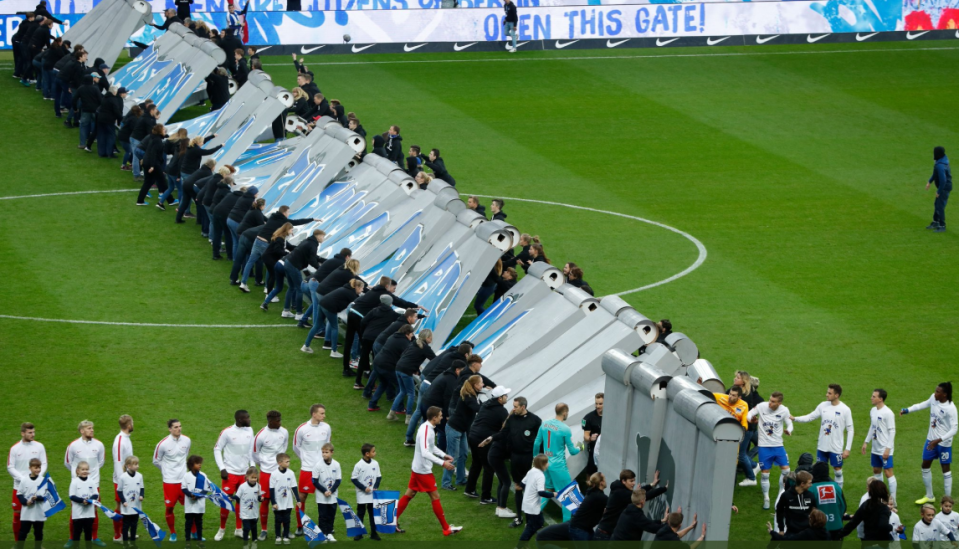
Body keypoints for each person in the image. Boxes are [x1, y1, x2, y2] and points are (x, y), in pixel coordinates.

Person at [395, 407, 463, 536]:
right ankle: (446, 528)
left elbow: (431, 447)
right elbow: (426, 452)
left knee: (410, 494)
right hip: (422, 471)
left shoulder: (427, 428)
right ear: (434, 418)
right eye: (440, 416)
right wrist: (443, 463)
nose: (442, 417)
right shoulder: (427, 430)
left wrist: (444, 455)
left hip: (418, 468)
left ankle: (393, 520)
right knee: (435, 497)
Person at [240, 206, 319, 291]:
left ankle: (243, 283)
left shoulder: (273, 216)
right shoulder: (283, 221)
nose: (289, 214)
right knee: (270, 265)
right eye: (288, 212)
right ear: (284, 213)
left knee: (250, 262)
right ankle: (267, 288)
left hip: (257, 240)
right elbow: (297, 222)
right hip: (265, 243)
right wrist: (312, 219)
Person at [901, 382, 956, 504]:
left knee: (945, 469)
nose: (935, 393)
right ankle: (930, 495)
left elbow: (954, 429)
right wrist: (907, 410)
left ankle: (947, 501)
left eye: (938, 392)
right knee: (925, 465)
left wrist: (939, 440)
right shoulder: (934, 398)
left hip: (943, 443)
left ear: (945, 394)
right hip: (931, 440)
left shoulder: (951, 408)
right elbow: (923, 405)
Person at [791, 383, 854, 488]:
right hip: (822, 446)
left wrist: (847, 449)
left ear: (836, 395)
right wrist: (795, 418)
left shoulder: (845, 409)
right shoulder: (823, 405)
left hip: (836, 447)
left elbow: (850, 429)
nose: (826, 395)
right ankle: (821, 492)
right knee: (819, 471)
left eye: (829, 393)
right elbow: (810, 417)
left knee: (838, 471)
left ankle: (839, 493)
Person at [532, 403, 582, 522]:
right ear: (565, 412)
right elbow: (573, 451)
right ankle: (565, 527)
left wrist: (535, 458)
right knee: (567, 495)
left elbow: (536, 443)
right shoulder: (565, 429)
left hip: (545, 464)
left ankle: (532, 519)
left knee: (548, 490)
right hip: (559, 467)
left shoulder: (545, 424)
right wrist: (581, 446)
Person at [746, 391, 794, 510]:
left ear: (779, 403)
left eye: (773, 402)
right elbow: (749, 413)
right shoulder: (762, 406)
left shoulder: (784, 410)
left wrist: (789, 430)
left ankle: (780, 494)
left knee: (786, 471)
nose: (770, 403)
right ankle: (766, 498)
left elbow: (790, 423)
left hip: (778, 446)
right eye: (770, 400)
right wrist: (750, 418)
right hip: (764, 447)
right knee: (765, 475)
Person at [213, 410, 255, 541]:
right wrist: (222, 468)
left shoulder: (250, 430)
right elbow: (217, 449)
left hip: (244, 473)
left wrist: (252, 465)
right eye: (247, 418)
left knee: (242, 501)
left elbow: (250, 450)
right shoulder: (227, 432)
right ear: (239, 419)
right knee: (225, 502)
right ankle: (222, 529)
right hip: (230, 473)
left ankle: (239, 529)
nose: (249, 419)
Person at [465, 386, 511, 504]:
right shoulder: (502, 411)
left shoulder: (486, 404)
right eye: (505, 395)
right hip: (483, 439)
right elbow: (505, 428)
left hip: (473, 435)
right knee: (488, 468)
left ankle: (469, 489)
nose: (507, 397)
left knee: (476, 463)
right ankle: (486, 497)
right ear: (500, 398)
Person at [64, 420, 106, 546]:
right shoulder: (73, 445)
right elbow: (68, 463)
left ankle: (94, 537)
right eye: (88, 428)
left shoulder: (99, 445)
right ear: (82, 431)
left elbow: (101, 462)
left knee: (94, 509)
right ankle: (72, 538)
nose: (92, 430)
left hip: (94, 483)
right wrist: (78, 476)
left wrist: (90, 477)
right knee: (75, 510)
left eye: (92, 428)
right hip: (77, 484)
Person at [292, 404, 331, 535]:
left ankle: (325, 525)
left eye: (324, 413)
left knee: (326, 496)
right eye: (322, 413)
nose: (324, 416)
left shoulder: (326, 427)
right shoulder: (302, 429)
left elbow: (328, 445)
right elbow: (296, 447)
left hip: (323, 468)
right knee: (301, 497)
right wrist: (306, 460)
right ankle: (300, 525)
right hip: (308, 469)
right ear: (314, 414)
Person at [252, 411, 289, 541]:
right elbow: (254, 454)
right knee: (265, 501)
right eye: (277, 421)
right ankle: (264, 530)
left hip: (280, 472)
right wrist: (264, 464)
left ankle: (285, 528)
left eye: (280, 420)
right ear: (270, 420)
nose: (280, 422)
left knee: (282, 499)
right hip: (266, 473)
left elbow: (284, 447)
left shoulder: (284, 432)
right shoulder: (261, 435)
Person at [153, 419, 192, 542]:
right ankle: (173, 532)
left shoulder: (187, 440)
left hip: (184, 481)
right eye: (175, 427)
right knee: (169, 508)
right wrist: (166, 471)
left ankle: (194, 532)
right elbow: (156, 461)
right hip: (169, 482)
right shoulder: (162, 444)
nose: (179, 429)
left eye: (180, 426)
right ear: (170, 429)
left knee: (191, 507)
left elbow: (186, 455)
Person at [9, 422, 48, 541]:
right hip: (20, 486)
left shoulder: (39, 446)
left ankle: (38, 543)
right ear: (22, 433)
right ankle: (17, 542)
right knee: (17, 513)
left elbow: (44, 463)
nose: (33, 434)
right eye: (30, 432)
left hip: (37, 486)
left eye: (33, 432)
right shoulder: (15, 448)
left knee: (38, 513)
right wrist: (24, 480)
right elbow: (10, 467)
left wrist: (37, 478)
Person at [306, 279, 364, 357]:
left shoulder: (346, 289)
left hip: (322, 303)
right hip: (330, 307)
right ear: (357, 287)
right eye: (361, 288)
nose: (362, 290)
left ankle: (306, 345)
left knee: (317, 325)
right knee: (334, 327)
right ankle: (334, 351)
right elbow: (358, 304)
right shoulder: (351, 294)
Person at [446, 375, 484, 494]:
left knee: (463, 455)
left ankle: (460, 479)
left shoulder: (472, 394)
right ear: (475, 385)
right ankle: (446, 483)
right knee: (453, 457)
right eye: (481, 383)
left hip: (461, 430)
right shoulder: (468, 397)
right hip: (454, 429)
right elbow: (477, 408)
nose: (482, 385)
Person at [390, 330, 437, 423]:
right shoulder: (425, 348)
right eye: (431, 337)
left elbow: (406, 355)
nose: (432, 339)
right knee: (411, 394)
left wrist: (416, 369)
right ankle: (408, 417)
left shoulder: (414, 343)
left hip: (398, 367)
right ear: (427, 338)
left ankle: (391, 413)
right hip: (406, 371)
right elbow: (435, 359)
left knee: (402, 391)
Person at [369, 324, 415, 411]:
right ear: (407, 334)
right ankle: (399, 408)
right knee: (400, 385)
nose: (412, 336)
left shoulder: (393, 336)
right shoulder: (404, 342)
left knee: (383, 383)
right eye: (412, 334)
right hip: (387, 366)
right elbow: (407, 356)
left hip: (377, 362)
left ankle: (372, 404)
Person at [862, 388, 898, 501]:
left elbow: (892, 431)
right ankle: (880, 496)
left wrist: (888, 449)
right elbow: (872, 427)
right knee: (876, 471)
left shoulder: (888, 413)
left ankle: (893, 500)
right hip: (875, 448)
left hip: (884, 448)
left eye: (874, 396)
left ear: (880, 399)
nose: (871, 398)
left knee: (888, 472)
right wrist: (866, 442)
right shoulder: (873, 410)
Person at [356, 296, 400, 388]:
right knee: (377, 362)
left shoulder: (374, 310)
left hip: (367, 336)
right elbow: (403, 318)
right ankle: (374, 385)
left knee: (363, 358)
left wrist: (363, 332)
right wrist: (420, 316)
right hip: (377, 339)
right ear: (389, 303)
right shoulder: (392, 313)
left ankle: (357, 382)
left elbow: (363, 321)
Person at [734, 370, 764, 487]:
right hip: (744, 427)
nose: (735, 379)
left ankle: (752, 470)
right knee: (742, 453)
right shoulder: (737, 391)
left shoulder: (748, 396)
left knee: (741, 454)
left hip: (747, 428)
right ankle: (750, 464)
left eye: (737, 377)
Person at [518, 455, 554, 545]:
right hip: (532, 506)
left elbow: (522, 484)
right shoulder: (541, 476)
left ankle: (526, 541)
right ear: (542, 464)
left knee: (538, 522)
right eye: (546, 463)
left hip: (526, 503)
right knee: (533, 526)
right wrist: (553, 494)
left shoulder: (531, 471)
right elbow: (541, 493)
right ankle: (520, 545)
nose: (548, 464)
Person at [15, 458, 49, 549]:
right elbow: (19, 493)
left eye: (39, 467)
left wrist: (37, 498)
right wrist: (25, 502)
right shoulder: (24, 480)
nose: (38, 470)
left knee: (38, 532)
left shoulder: (43, 480)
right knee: (23, 532)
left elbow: (47, 496)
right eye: (35, 468)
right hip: (27, 513)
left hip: (39, 513)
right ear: (30, 468)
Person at [110, 416, 134, 543]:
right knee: (119, 505)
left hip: (128, 478)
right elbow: (118, 462)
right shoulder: (120, 441)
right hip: (121, 481)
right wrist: (122, 482)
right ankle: (117, 535)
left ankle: (125, 531)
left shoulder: (126, 439)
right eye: (132, 423)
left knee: (127, 506)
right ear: (129, 425)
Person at [350, 444, 381, 541]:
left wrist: (375, 487)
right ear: (367, 454)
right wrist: (364, 488)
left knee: (372, 514)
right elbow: (353, 479)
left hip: (372, 494)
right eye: (373, 451)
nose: (375, 453)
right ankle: (359, 533)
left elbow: (379, 477)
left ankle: (374, 533)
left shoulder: (375, 464)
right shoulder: (359, 465)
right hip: (362, 494)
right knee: (361, 513)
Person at [311, 444, 340, 542]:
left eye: (326, 452)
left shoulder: (336, 464)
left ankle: (329, 533)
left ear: (332, 452)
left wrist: (331, 491)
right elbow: (314, 481)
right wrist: (324, 491)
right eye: (323, 452)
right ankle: (323, 534)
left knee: (331, 515)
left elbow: (338, 480)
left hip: (333, 495)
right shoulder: (318, 465)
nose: (324, 454)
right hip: (321, 496)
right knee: (322, 516)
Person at [809, 461, 846, 539]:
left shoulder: (811, 489)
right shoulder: (836, 486)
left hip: (818, 529)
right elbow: (843, 506)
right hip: (837, 526)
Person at [137, 124, 170, 208]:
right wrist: (152, 166)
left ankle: (140, 200)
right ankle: (170, 200)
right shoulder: (157, 141)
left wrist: (167, 136)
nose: (164, 131)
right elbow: (153, 153)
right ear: (159, 131)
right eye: (163, 130)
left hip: (147, 162)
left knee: (148, 182)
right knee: (162, 181)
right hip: (153, 163)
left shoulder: (153, 137)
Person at [69, 461, 99, 549]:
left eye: (86, 469)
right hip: (77, 514)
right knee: (77, 533)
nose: (85, 471)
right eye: (83, 469)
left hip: (89, 514)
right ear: (78, 471)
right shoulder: (74, 482)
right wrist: (83, 501)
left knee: (88, 533)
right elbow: (72, 496)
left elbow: (96, 494)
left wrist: (89, 501)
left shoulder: (91, 482)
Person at [269, 453, 298, 544]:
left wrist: (298, 500)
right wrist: (273, 502)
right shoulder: (274, 474)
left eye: (289, 461)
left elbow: (294, 487)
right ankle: (278, 536)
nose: (288, 463)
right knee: (278, 520)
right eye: (287, 462)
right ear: (280, 463)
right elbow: (271, 489)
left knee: (287, 520)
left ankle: (285, 536)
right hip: (278, 502)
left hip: (288, 502)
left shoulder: (291, 473)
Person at [569, 473, 607, 540]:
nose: (605, 481)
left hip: (583, 527)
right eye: (604, 479)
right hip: (579, 529)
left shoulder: (592, 492)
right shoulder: (599, 496)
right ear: (601, 483)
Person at [181, 455, 209, 548]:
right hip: (189, 505)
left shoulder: (203, 475)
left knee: (199, 523)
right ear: (191, 465)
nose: (200, 465)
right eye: (197, 463)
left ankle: (199, 541)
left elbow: (206, 489)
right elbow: (184, 488)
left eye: (200, 463)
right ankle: (187, 542)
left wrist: (197, 496)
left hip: (199, 505)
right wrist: (190, 495)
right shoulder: (186, 475)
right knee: (188, 524)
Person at [775, 470, 814, 535]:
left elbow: (815, 513)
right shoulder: (786, 495)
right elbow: (779, 512)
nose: (811, 485)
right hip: (791, 532)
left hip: (807, 532)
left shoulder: (810, 496)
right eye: (809, 483)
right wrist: (781, 529)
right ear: (802, 484)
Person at [117, 456, 144, 547]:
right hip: (126, 507)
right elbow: (119, 491)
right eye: (135, 464)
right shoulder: (123, 477)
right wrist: (123, 501)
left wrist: (141, 496)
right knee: (126, 525)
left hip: (136, 506)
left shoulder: (139, 476)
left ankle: (132, 542)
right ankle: (125, 543)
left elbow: (142, 488)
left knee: (134, 524)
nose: (137, 466)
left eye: (137, 464)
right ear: (128, 466)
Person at [231, 468, 261, 548]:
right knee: (247, 528)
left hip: (254, 513)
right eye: (252, 477)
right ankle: (245, 544)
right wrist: (232, 498)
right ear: (247, 477)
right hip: (245, 514)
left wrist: (261, 499)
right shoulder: (242, 487)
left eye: (255, 478)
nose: (254, 479)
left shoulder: (258, 486)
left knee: (254, 529)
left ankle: (254, 543)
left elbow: (259, 497)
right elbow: (237, 497)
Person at [926, 146, 952, 232]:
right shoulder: (941, 161)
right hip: (943, 187)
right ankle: (936, 221)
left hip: (944, 188)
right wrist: (929, 182)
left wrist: (939, 191)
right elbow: (935, 173)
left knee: (940, 206)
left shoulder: (940, 165)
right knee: (937, 204)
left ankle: (942, 225)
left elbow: (943, 180)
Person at [582, 393, 604, 477]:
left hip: (608, 450)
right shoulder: (588, 418)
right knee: (591, 475)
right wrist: (591, 438)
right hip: (594, 450)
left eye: (600, 404)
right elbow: (586, 436)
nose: (598, 406)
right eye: (596, 403)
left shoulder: (612, 415)